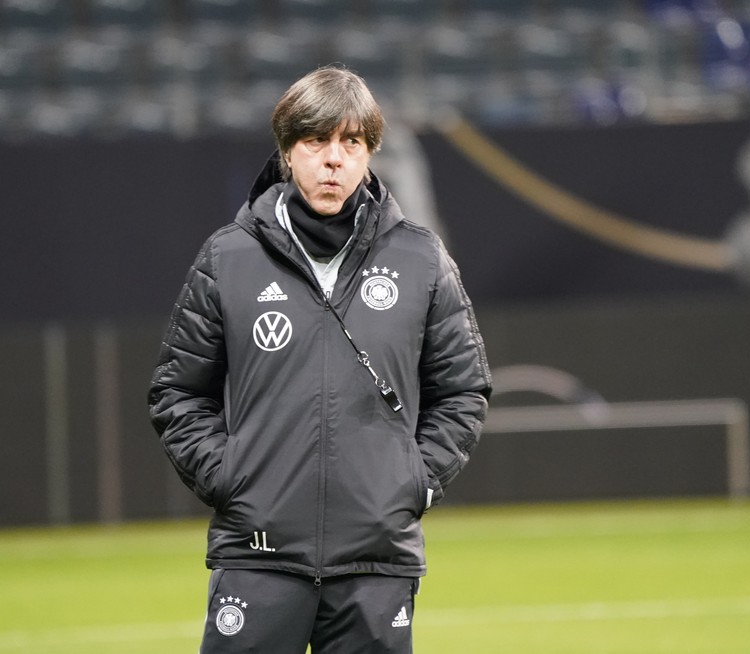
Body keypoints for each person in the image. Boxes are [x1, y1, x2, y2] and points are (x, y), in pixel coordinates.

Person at [148, 65, 492, 653]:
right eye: (316, 141)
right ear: (287, 151)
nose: (334, 159)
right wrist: (230, 477)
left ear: (369, 153)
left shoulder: (422, 260)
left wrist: (412, 481)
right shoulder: (227, 258)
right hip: (258, 556)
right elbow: (178, 392)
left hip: (376, 562)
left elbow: (463, 391)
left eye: (351, 142)